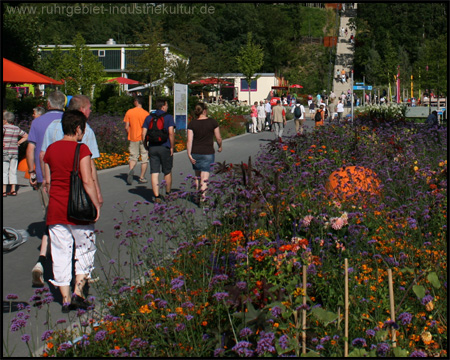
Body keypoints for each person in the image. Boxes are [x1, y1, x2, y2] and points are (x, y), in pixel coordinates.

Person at [39, 95, 103, 286]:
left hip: (56, 192)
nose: (90, 111)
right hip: (78, 195)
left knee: (58, 237)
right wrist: (97, 195)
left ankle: (47, 265)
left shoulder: (52, 127)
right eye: (89, 108)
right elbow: (89, 168)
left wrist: (47, 182)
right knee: (83, 241)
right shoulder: (86, 132)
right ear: (82, 110)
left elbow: (44, 154)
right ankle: (82, 280)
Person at [27, 91, 66, 287]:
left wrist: (32, 172)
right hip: (66, 176)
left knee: (50, 216)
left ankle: (45, 259)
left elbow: (31, 148)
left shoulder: (38, 122)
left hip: (44, 177)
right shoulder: (69, 120)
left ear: (48, 104)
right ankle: (54, 262)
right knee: (63, 220)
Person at [186, 102, 222, 203]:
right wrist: (220, 146)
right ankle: (203, 198)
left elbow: (189, 140)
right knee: (205, 176)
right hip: (208, 152)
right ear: (205, 111)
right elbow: (218, 137)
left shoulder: (192, 124)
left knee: (197, 175)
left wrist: (189, 153)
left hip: (195, 152)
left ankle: (197, 196)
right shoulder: (212, 122)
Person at [141, 99, 175, 203]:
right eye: (167, 105)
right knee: (167, 171)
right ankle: (168, 193)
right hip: (165, 146)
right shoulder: (168, 117)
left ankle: (156, 196)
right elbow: (171, 133)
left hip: (152, 147)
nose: (167, 107)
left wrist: (145, 146)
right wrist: (172, 146)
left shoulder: (149, 117)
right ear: (163, 106)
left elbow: (143, 134)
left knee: (154, 172)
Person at [123, 96, 150, 185]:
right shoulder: (146, 114)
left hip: (133, 137)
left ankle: (131, 170)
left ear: (136, 102)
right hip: (144, 138)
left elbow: (126, 127)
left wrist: (129, 133)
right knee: (144, 158)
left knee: (133, 156)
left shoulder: (129, 112)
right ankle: (142, 177)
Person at [3, 111, 28, 197]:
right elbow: (26, 136)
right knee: (13, 170)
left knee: (4, 171)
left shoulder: (4, 128)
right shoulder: (16, 128)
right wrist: (18, 142)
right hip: (14, 152)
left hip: (5, 152)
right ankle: (13, 189)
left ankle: (4, 190)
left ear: (5, 120)